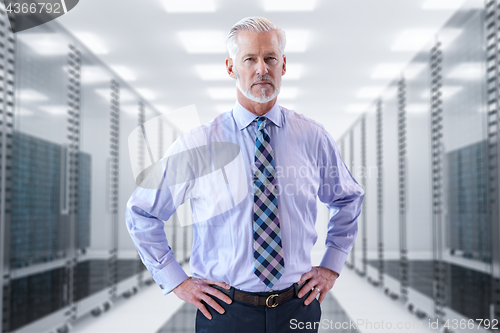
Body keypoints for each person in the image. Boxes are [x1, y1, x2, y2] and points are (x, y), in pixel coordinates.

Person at [126, 16, 364, 333]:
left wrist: (331, 267)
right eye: (249, 59)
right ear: (230, 68)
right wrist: (177, 281)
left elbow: (347, 198)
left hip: (298, 308)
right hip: (225, 312)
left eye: (270, 58)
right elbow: (142, 212)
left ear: (283, 66)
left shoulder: (313, 138)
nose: (261, 69)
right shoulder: (199, 144)